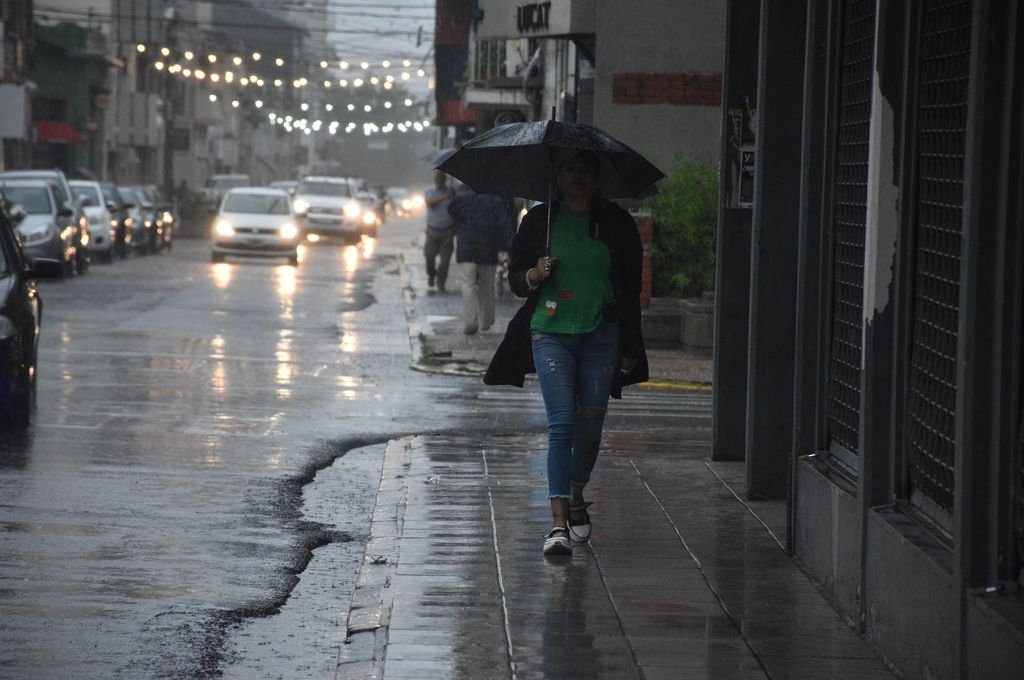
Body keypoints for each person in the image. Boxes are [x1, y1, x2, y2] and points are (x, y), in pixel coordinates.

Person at [484, 150, 649, 556]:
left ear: (596, 179)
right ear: (557, 176)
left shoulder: (615, 222)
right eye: (569, 169)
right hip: (550, 331)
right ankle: (557, 524)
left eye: (584, 171)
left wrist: (629, 345)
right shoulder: (539, 222)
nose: (576, 176)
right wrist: (535, 275)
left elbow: (631, 288)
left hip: (601, 333)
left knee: (590, 424)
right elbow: (516, 282)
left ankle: (577, 495)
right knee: (561, 423)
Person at [447, 186, 516, 334]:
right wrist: (506, 249)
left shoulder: (461, 198)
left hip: (467, 248)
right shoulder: (496, 201)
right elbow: (504, 226)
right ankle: (486, 321)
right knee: (487, 286)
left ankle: (471, 321)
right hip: (488, 250)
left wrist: (462, 221)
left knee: (468, 285)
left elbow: (451, 210)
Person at [423, 170, 457, 292]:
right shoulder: (429, 191)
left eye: (442, 178)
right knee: (429, 256)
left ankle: (441, 282)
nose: (439, 180)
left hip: (448, 231)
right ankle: (432, 274)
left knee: (445, 260)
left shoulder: (451, 192)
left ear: (445, 180)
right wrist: (445, 197)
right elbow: (429, 203)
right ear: (434, 179)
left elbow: (457, 207)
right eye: (437, 178)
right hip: (432, 231)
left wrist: (453, 195)